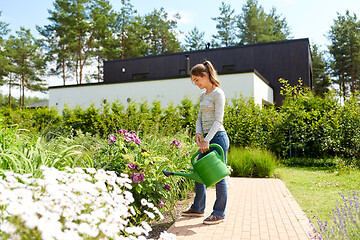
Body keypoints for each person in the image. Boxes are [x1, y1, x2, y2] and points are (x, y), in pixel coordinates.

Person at [181, 60, 230, 225]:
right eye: (193, 81)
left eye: (196, 80)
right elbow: (200, 117)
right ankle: (198, 207)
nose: (195, 83)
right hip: (206, 140)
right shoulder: (203, 95)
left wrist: (207, 140)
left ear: (205, 76)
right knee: (199, 171)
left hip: (217, 139)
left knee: (219, 176)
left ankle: (219, 213)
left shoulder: (218, 94)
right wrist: (198, 132)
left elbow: (218, 120)